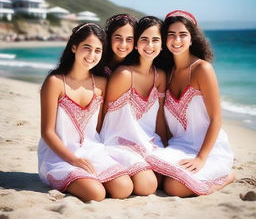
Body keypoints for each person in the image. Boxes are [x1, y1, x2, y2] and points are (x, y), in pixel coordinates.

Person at [38, 23, 133, 202]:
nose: (91, 55)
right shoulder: (55, 82)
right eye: (86, 48)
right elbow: (47, 132)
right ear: (74, 47)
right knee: (96, 193)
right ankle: (81, 180)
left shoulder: (101, 83)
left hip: (91, 150)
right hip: (59, 154)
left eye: (98, 51)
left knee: (124, 188)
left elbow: (97, 128)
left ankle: (90, 179)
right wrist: (74, 160)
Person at [146, 10, 234, 197]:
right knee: (152, 176)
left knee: (174, 187)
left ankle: (228, 177)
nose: (176, 40)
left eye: (183, 35)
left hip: (208, 150)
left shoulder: (203, 69)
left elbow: (216, 119)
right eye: (171, 35)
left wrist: (201, 158)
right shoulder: (166, 73)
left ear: (192, 39)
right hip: (179, 147)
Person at [100, 16, 167, 195]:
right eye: (144, 39)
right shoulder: (123, 75)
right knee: (147, 186)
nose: (150, 45)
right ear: (137, 44)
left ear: (163, 44)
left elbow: (159, 116)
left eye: (155, 40)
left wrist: (166, 146)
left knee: (164, 178)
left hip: (148, 141)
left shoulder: (159, 76)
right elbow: (104, 115)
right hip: (119, 142)